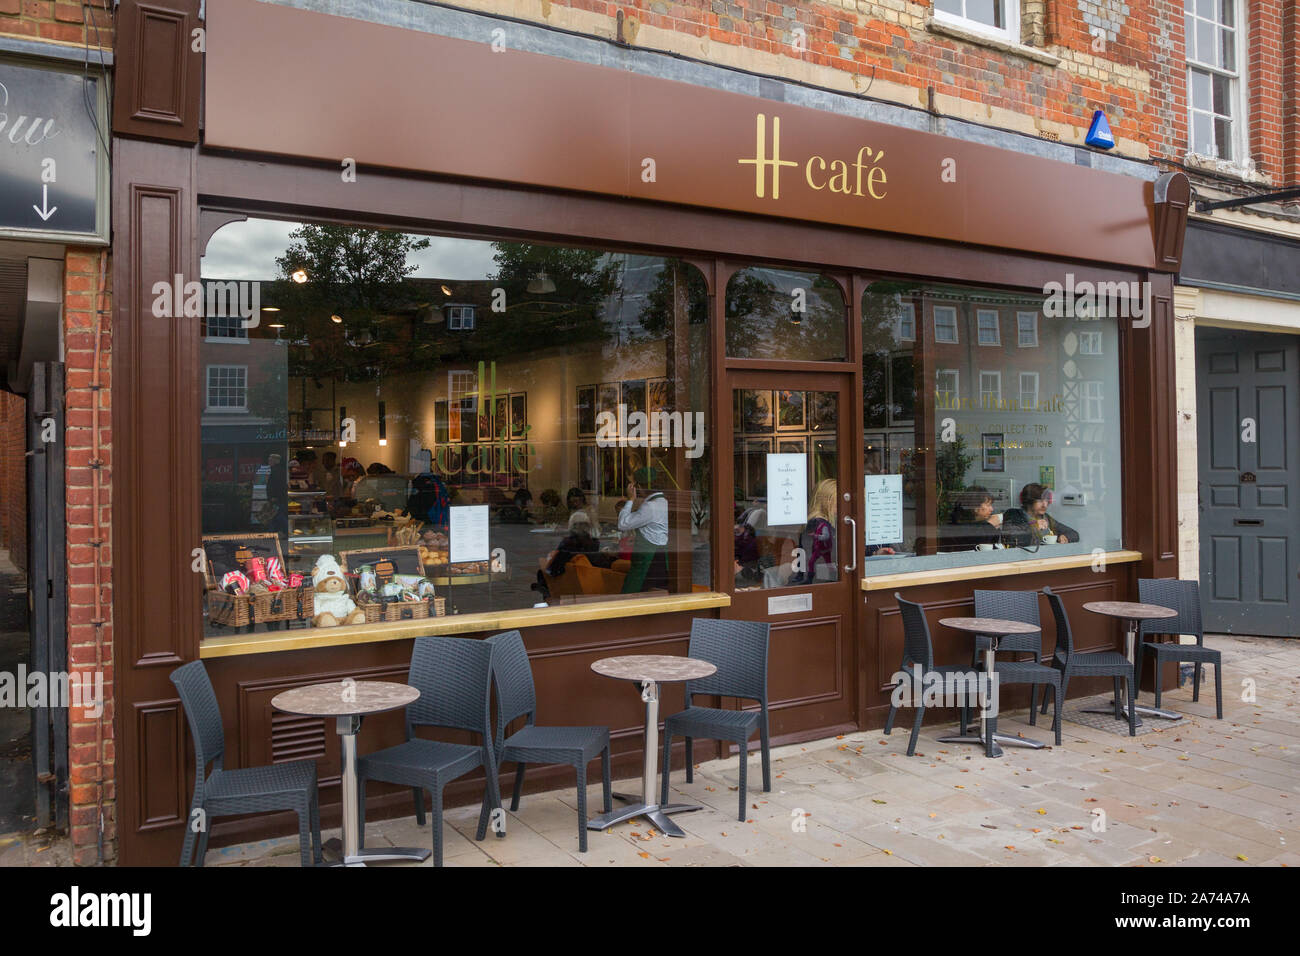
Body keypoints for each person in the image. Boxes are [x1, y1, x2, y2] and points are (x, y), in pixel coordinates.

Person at [617, 467, 669, 593]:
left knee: (632, 595)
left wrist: (630, 500)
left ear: (639, 487)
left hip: (646, 559)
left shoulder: (650, 506)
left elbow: (623, 524)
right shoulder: (664, 502)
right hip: (661, 555)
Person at [791, 478, 838, 584]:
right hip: (818, 582)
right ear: (828, 501)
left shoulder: (813, 523)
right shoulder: (818, 524)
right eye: (838, 500)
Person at [1001, 482, 1078, 546]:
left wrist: (1065, 537)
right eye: (1040, 500)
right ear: (1029, 501)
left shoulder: (1046, 518)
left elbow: (1074, 534)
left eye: (1047, 500)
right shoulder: (1014, 514)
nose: (1045, 505)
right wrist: (1034, 527)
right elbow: (1011, 537)